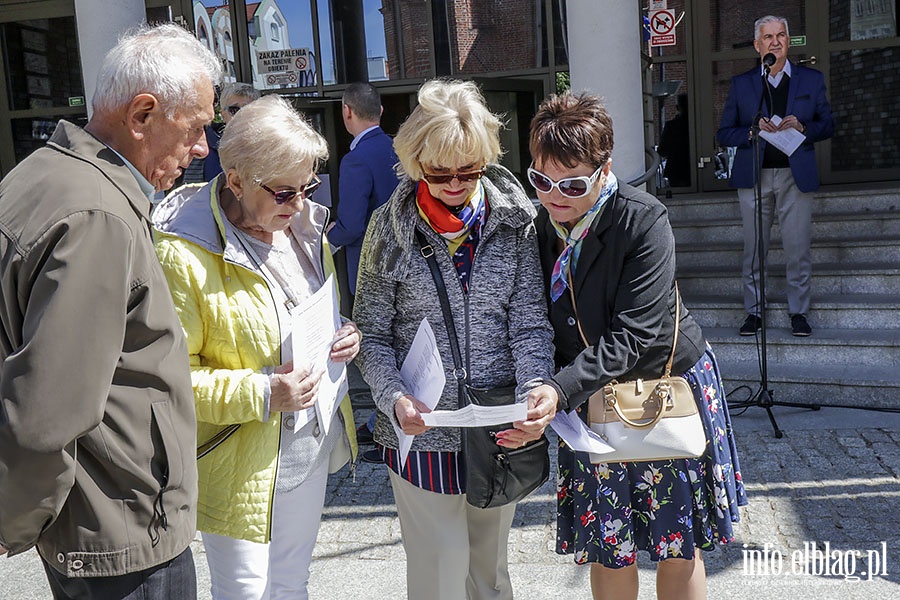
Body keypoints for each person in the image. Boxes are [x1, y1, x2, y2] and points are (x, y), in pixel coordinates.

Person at [0, 23, 220, 599]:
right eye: (196, 126)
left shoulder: (42, 175)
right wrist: (8, 525)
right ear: (142, 115)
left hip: (99, 524)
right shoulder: (99, 214)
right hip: (120, 536)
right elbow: (47, 410)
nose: (202, 147)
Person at [529, 92, 747, 600]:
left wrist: (559, 390)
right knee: (608, 542)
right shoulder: (543, 226)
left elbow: (636, 332)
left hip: (662, 386)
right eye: (541, 181)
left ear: (605, 169)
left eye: (572, 183)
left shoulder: (642, 218)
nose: (554, 196)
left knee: (677, 540)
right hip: (586, 392)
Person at [352, 79, 558, 600]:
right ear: (416, 163)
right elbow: (371, 332)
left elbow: (530, 321)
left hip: (495, 422)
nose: (455, 185)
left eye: (469, 171)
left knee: (488, 571)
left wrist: (535, 386)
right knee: (440, 569)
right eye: (440, 173)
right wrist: (393, 398)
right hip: (422, 428)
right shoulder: (388, 227)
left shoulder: (516, 222)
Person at [153, 94, 359, 599]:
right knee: (245, 590)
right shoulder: (182, 252)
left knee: (291, 584)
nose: (299, 203)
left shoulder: (304, 228)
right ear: (238, 179)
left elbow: (307, 309)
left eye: (308, 187)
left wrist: (342, 332)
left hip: (306, 441)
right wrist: (267, 391)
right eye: (285, 192)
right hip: (236, 453)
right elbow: (171, 380)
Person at [717, 15, 834, 337]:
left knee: (797, 249)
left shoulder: (811, 79)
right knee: (754, 249)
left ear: (788, 40)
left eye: (781, 35)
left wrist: (804, 127)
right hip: (754, 177)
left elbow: (829, 125)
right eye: (768, 37)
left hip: (795, 176)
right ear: (758, 46)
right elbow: (724, 133)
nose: (775, 42)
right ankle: (754, 312)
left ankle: (799, 311)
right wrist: (752, 131)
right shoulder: (743, 85)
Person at [326, 82, 400, 461]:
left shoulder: (356, 159)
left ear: (346, 112)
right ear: (381, 112)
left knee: (375, 345)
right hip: (409, 264)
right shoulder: (398, 149)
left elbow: (352, 224)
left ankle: (380, 426)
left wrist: (322, 243)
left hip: (372, 268)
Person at [182, 82, 260, 184]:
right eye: (234, 110)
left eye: (248, 109)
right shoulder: (204, 148)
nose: (241, 115)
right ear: (223, 115)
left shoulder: (269, 146)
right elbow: (192, 195)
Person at [657, 93, 691, 187]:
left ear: (677, 107)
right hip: (692, 167)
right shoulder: (696, 125)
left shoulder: (672, 126)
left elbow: (662, 150)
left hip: (676, 169)